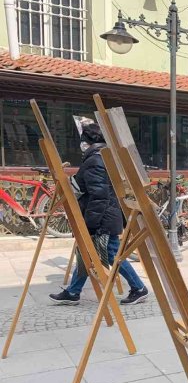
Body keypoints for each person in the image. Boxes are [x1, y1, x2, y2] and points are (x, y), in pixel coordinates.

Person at [50, 123, 148, 305]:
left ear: (86, 142)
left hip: (103, 219)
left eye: (82, 142)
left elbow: (99, 196)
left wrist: (91, 224)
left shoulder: (95, 160)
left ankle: (138, 287)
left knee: (110, 254)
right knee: (86, 253)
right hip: (105, 216)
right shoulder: (102, 157)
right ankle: (73, 291)